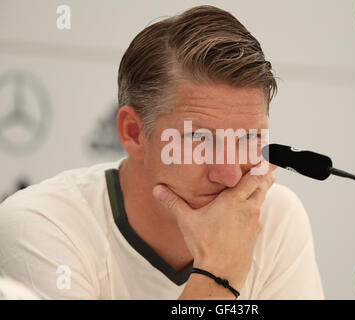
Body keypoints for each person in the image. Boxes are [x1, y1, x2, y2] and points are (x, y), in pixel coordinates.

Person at [0, 5, 324, 299]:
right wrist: (218, 274)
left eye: (248, 138)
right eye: (200, 138)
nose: (228, 173)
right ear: (133, 133)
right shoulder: (41, 224)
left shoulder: (274, 217)